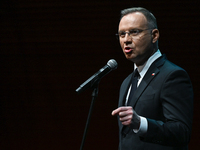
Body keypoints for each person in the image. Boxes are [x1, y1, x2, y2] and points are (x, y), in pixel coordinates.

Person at [111, 7, 193, 150]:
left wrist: (140, 123)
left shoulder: (172, 75)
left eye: (134, 32)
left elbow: (181, 133)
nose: (126, 40)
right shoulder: (126, 82)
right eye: (122, 34)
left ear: (154, 35)